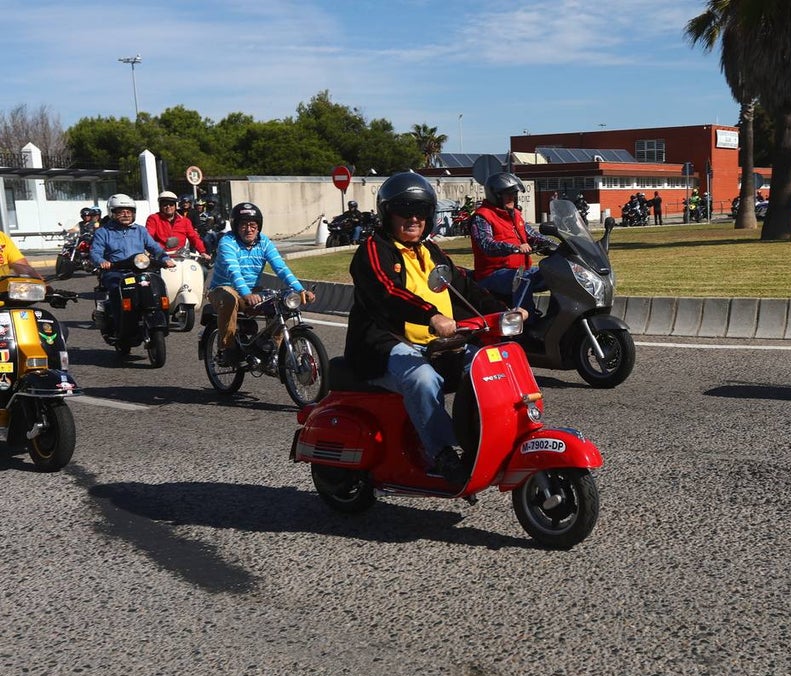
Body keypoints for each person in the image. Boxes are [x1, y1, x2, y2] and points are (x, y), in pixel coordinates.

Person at [347, 172, 515, 485]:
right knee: (422, 378)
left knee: (485, 367)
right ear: (387, 213)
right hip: (384, 346)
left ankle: (484, 441)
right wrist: (431, 315)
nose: (414, 218)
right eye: (405, 210)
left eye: (421, 211)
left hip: (435, 345)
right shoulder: (373, 250)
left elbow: (463, 284)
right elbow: (387, 291)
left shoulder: (431, 251)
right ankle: (443, 453)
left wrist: (503, 312)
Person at [207, 202, 314, 366]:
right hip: (223, 289)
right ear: (236, 226)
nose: (249, 229)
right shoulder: (227, 242)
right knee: (229, 298)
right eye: (243, 225)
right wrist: (246, 294)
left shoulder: (264, 242)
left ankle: (267, 346)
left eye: (253, 225)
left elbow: (281, 268)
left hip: (252, 292)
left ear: (259, 226)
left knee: (284, 301)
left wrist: (300, 290)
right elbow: (233, 271)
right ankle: (228, 347)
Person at [469, 172, 553, 323]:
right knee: (522, 279)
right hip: (491, 275)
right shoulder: (482, 217)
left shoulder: (515, 215)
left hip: (521, 269)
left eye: (514, 194)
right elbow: (486, 244)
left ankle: (556, 319)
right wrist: (514, 248)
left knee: (555, 274)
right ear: (496, 195)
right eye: (508, 194)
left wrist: (557, 245)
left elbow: (532, 235)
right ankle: (527, 324)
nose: (512, 198)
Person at [89, 194, 174, 328]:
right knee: (118, 291)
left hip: (140, 270)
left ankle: (160, 318)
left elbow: (155, 248)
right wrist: (102, 262)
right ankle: (120, 326)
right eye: (121, 212)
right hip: (115, 271)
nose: (126, 214)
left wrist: (165, 258)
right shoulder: (103, 232)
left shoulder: (140, 230)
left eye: (129, 211)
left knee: (157, 286)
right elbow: (95, 252)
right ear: (112, 213)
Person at [145, 190, 209, 260]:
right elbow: (148, 237)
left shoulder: (185, 221)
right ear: (160, 206)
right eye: (165, 205)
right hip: (160, 257)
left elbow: (193, 237)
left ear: (175, 206)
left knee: (201, 270)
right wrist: (150, 251)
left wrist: (202, 251)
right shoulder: (154, 219)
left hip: (180, 257)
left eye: (171, 204)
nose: (168, 207)